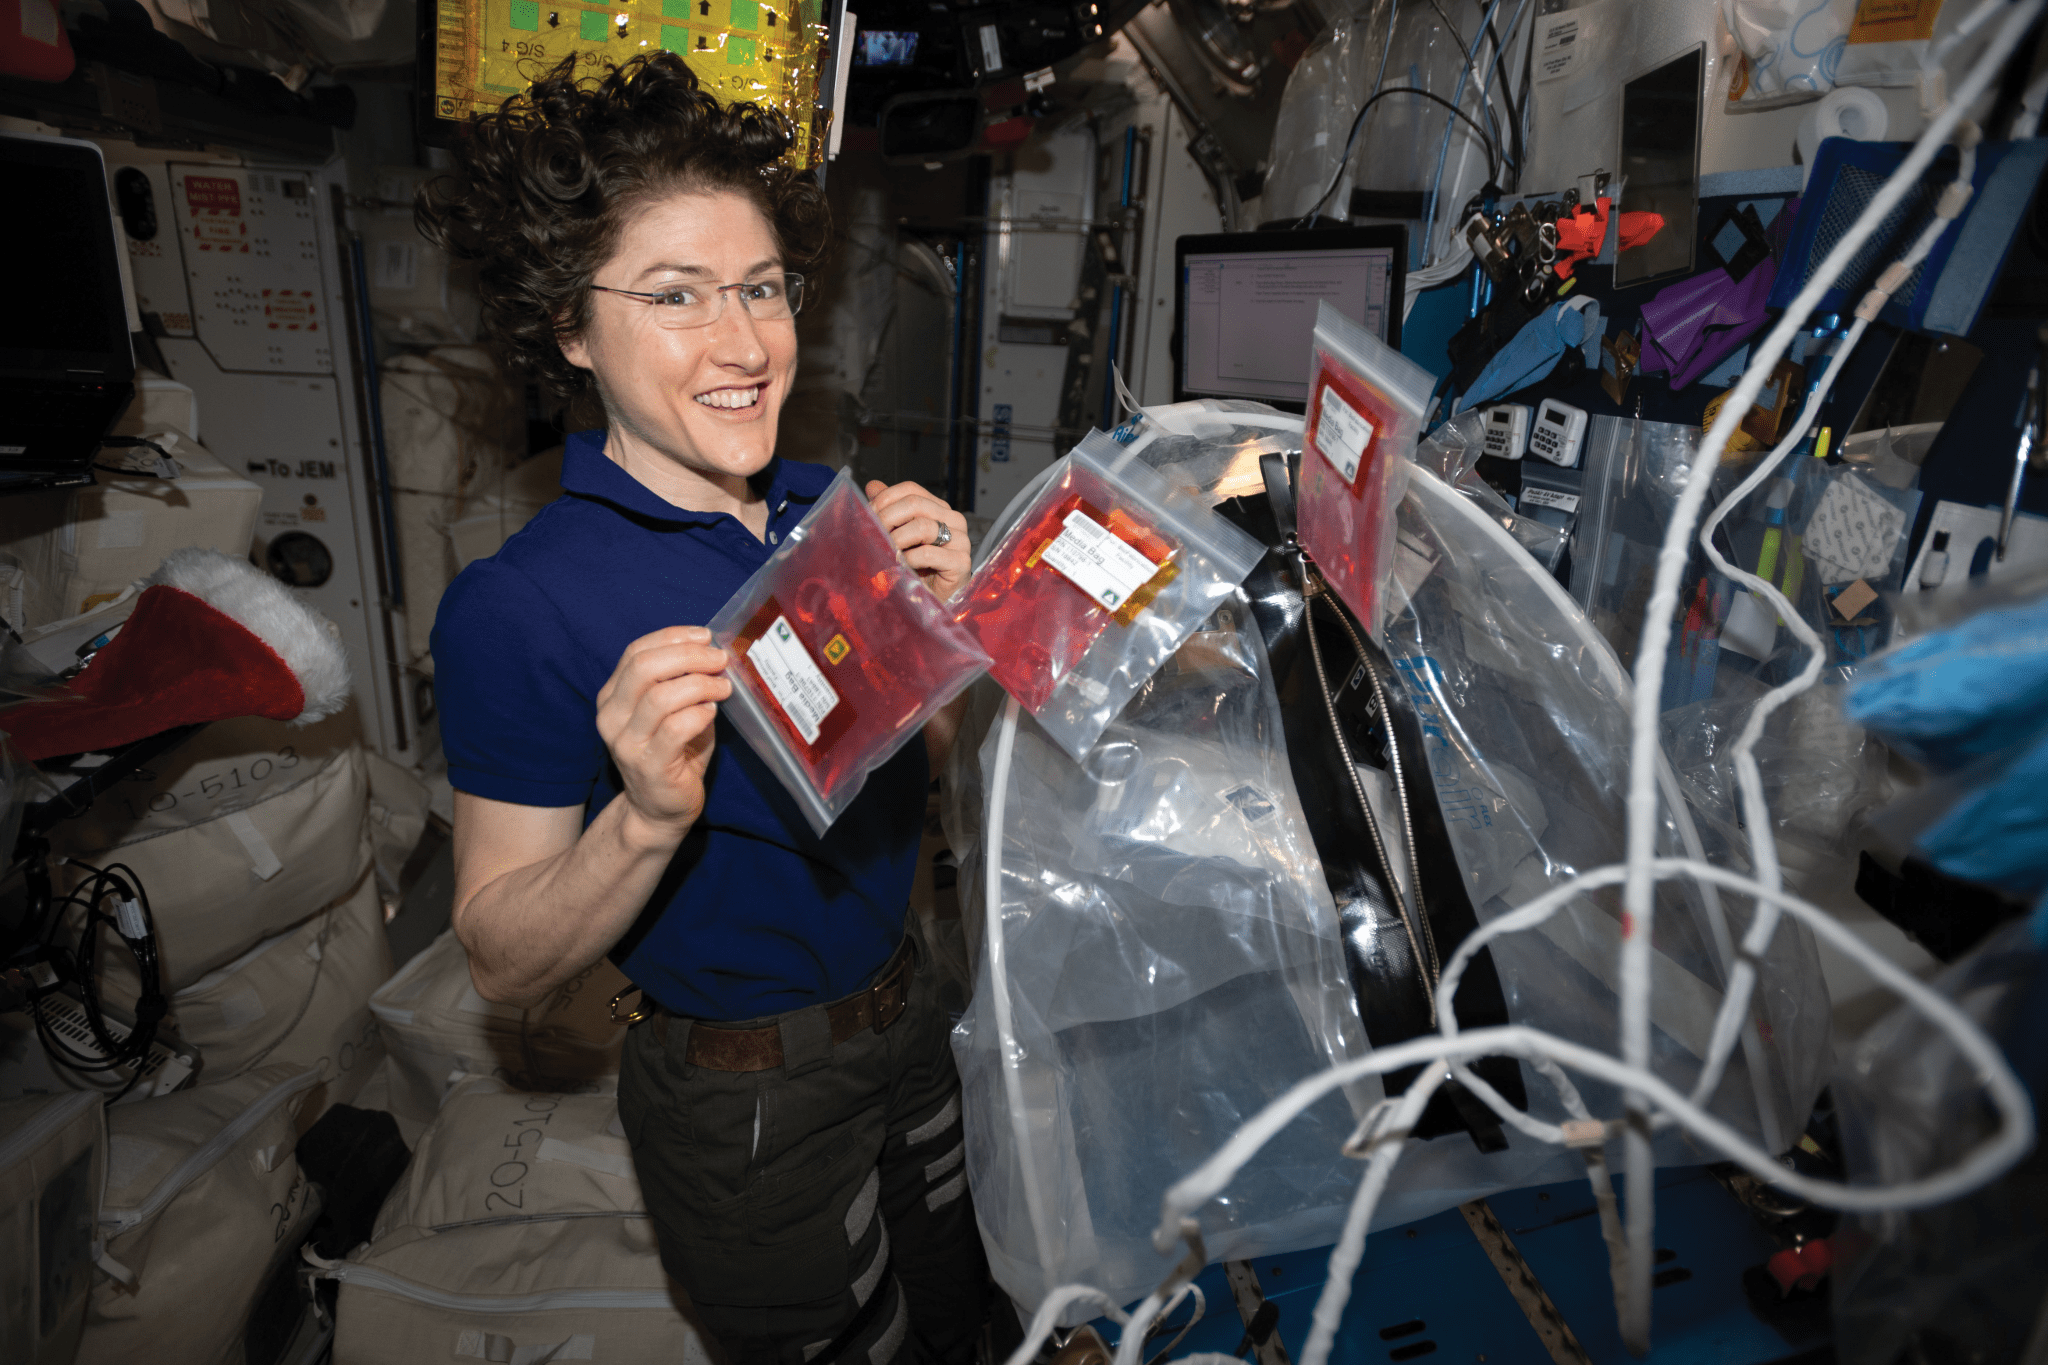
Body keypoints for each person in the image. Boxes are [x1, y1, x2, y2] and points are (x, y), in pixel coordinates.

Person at [420, 52, 989, 1365]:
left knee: (957, 1312)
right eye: (675, 296)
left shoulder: (818, 514)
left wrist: (938, 643)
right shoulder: (522, 606)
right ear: (570, 325)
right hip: (754, 1094)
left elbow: (909, 769)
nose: (743, 345)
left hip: (913, 1014)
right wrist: (643, 819)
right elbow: (502, 957)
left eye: (763, 290)